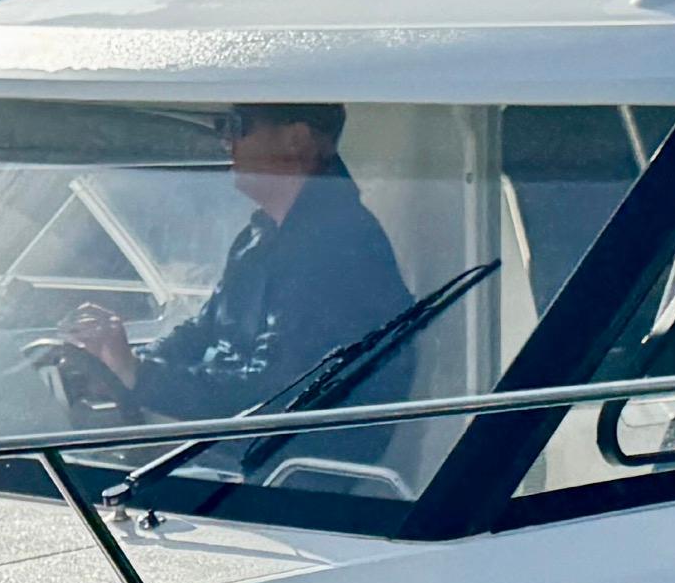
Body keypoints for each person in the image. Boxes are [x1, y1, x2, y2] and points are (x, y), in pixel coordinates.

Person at [36, 105, 414, 420]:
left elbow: (272, 391)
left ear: (296, 139)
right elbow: (204, 329)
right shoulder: (260, 236)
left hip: (288, 476)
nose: (226, 141)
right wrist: (121, 362)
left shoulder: (338, 249)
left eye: (237, 126)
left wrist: (140, 376)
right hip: (232, 452)